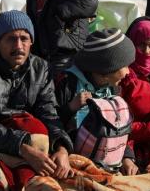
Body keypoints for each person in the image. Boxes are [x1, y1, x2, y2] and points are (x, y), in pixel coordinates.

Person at [0, 10, 73, 190]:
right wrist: (23, 148)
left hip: (33, 142)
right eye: (11, 39)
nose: (19, 46)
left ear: (31, 42)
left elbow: (49, 113)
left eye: (24, 38)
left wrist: (61, 148)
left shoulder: (41, 68)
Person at [54, 28, 139, 175]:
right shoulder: (69, 84)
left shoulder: (113, 88)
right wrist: (70, 108)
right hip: (73, 161)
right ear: (104, 72)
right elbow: (52, 122)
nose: (128, 72)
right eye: (123, 66)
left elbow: (118, 129)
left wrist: (127, 157)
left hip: (107, 162)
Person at [119, 16, 150, 172]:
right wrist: (127, 157)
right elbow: (120, 125)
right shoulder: (125, 78)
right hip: (135, 158)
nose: (147, 51)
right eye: (141, 45)